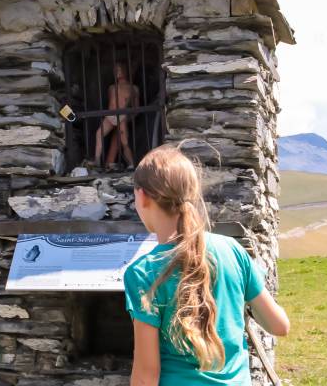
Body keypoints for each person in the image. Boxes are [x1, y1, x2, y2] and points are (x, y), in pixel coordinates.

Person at [124, 144, 290, 386]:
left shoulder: (143, 272)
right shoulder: (232, 250)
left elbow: (146, 377)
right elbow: (279, 325)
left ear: (142, 196)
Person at [94, 62, 140, 168]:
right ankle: (97, 161)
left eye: (119, 69)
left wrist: (129, 118)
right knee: (99, 134)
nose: (116, 72)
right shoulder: (111, 88)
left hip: (122, 115)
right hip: (111, 115)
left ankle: (131, 164)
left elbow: (136, 108)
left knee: (124, 142)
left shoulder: (133, 88)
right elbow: (110, 102)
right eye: (115, 70)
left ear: (125, 71)